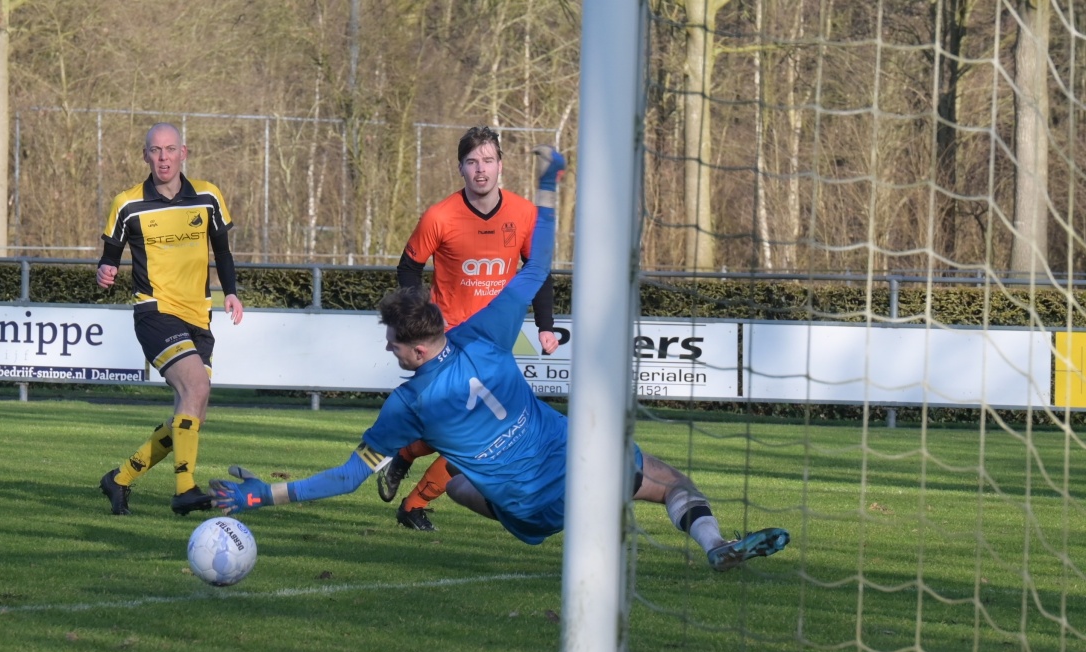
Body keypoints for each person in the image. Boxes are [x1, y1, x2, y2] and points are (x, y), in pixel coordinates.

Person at [208, 152, 790, 570]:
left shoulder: (406, 406)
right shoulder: (482, 333)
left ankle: (549, 510)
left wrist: (266, 495)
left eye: (389, 341)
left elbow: (344, 478)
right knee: (672, 484)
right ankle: (716, 547)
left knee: (461, 483)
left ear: (414, 348)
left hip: (526, 511)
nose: (386, 348)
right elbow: (535, 270)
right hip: (579, 466)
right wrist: (547, 190)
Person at [381, 126, 562, 532]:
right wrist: (418, 319)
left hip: (496, 344)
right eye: (472, 162)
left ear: (501, 165)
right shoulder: (439, 216)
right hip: (449, 343)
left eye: (488, 160)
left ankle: (406, 459)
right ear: (460, 168)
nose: (481, 170)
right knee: (480, 434)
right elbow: (408, 266)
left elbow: (539, 272)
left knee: (471, 430)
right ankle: (414, 504)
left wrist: (546, 326)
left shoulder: (524, 213)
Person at [95, 122, 244, 516]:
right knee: (194, 389)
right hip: (155, 312)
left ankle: (120, 479)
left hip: (200, 314)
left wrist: (230, 291)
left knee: (193, 409)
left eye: (169, 149)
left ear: (184, 153)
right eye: (155, 150)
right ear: (145, 156)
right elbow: (109, 257)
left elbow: (223, 252)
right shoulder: (127, 204)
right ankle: (184, 490)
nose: (163, 157)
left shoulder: (208, 197)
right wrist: (104, 271)